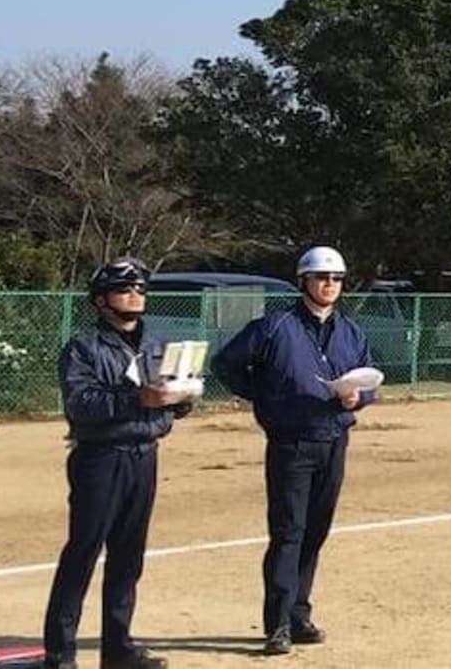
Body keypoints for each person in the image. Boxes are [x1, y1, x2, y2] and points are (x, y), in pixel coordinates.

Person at [210, 246, 378, 656]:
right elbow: (225, 364)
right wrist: (265, 397)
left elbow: (369, 380)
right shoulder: (273, 326)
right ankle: (278, 623)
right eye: (322, 277)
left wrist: (359, 398)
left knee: (316, 531)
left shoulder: (351, 332)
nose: (329, 285)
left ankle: (300, 614)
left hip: (334, 440)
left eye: (336, 279)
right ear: (303, 281)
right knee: (288, 533)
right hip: (291, 443)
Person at [42, 257, 193, 669]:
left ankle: (118, 646)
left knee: (129, 555)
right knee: (84, 552)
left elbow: (172, 404)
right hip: (101, 459)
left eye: (140, 289)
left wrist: (181, 400)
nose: (135, 295)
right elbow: (80, 403)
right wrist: (136, 399)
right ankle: (60, 652)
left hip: (144, 456)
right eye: (125, 289)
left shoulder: (156, 342)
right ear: (101, 301)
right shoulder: (83, 347)